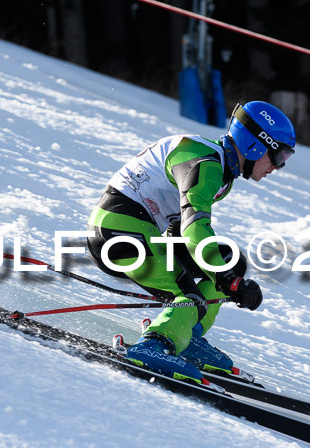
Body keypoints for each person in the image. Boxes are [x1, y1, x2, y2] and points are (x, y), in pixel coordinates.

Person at [87, 101, 296, 387]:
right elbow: (194, 225)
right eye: (279, 156)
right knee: (190, 295)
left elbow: (178, 227)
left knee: (229, 260)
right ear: (256, 146)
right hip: (118, 235)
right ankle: (153, 345)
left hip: (137, 230)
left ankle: (187, 335)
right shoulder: (206, 163)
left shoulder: (218, 168)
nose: (278, 167)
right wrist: (224, 279)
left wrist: (225, 274)